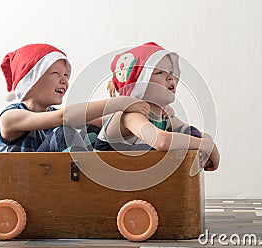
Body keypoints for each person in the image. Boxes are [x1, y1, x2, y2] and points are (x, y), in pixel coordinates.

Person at [0, 43, 149, 152]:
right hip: (23, 180)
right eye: (56, 74)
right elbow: (65, 117)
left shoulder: (51, 114)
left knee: (91, 130)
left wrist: (133, 102)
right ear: (31, 81)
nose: (64, 80)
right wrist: (118, 103)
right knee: (62, 133)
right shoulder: (10, 117)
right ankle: (88, 183)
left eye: (66, 75)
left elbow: (105, 121)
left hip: (48, 176)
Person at [94, 42, 220, 171]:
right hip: (103, 179)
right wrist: (204, 144)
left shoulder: (162, 115)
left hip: (132, 179)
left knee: (189, 133)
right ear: (138, 84)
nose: (170, 77)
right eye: (159, 72)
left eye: (171, 72)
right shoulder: (130, 115)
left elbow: (189, 132)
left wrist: (206, 139)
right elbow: (162, 141)